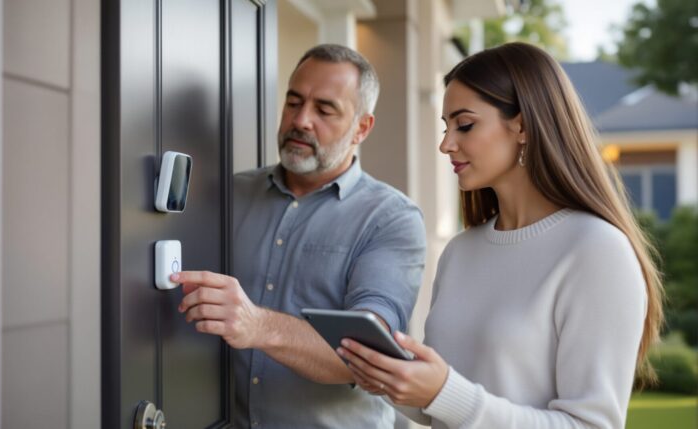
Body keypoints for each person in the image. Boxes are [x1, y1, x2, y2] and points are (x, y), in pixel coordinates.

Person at [337, 42, 664, 428]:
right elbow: (436, 407)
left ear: (522, 125)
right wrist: (385, 376)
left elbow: (591, 425)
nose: (446, 144)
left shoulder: (596, 250)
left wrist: (445, 392)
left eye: (465, 125)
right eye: (446, 127)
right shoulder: (461, 252)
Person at [170, 44, 426, 428]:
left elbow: (369, 353)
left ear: (362, 127)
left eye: (324, 110)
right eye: (294, 102)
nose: (302, 120)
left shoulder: (390, 219)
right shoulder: (227, 197)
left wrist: (257, 324)